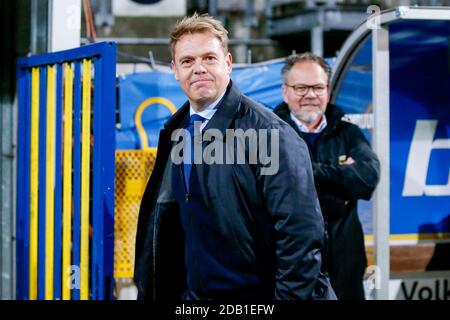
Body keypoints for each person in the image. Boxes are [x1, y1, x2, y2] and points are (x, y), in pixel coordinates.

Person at [134, 14, 335, 300]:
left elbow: (300, 237)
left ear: (228, 63)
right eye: (188, 61)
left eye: (209, 58)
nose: (199, 68)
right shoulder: (177, 132)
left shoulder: (270, 133)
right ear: (175, 70)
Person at [273, 53, 380, 300]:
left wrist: (305, 171)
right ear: (285, 92)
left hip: (346, 264)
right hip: (290, 266)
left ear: (328, 90)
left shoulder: (348, 132)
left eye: (318, 87)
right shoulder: (270, 134)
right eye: (301, 87)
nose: (310, 95)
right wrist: (340, 178)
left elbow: (367, 178)